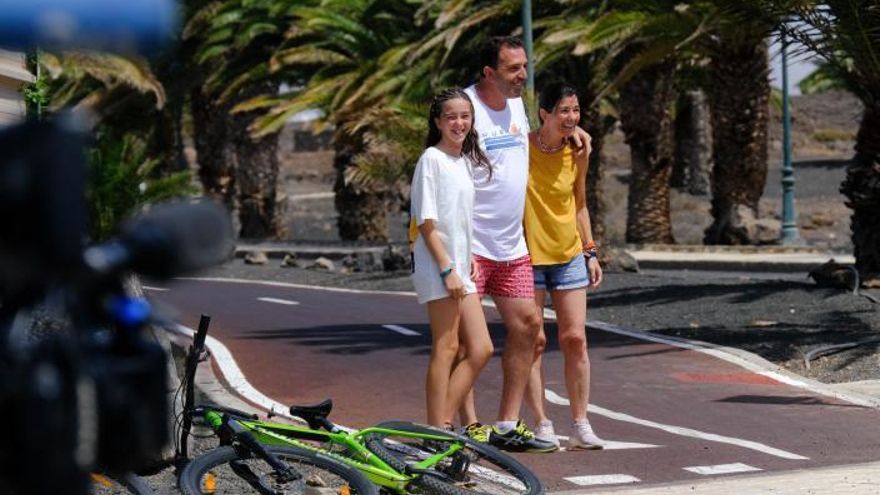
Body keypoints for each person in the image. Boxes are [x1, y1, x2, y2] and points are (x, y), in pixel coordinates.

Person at [456, 36, 590, 453]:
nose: (523, 76)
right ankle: (466, 425)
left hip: (512, 244)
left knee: (529, 329)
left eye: (525, 66)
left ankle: (507, 422)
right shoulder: (464, 108)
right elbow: (442, 158)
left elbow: (540, 137)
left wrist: (571, 125)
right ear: (489, 73)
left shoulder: (516, 104)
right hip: (472, 242)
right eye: (514, 69)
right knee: (468, 343)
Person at [522, 81, 604, 450]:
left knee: (575, 339)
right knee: (534, 341)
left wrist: (590, 251)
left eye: (575, 111)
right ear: (545, 113)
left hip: (569, 253)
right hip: (528, 258)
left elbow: (580, 203)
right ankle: (541, 423)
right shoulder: (522, 148)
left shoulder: (579, 151)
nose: (571, 118)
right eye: (563, 111)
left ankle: (581, 423)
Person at [410, 88, 495, 429]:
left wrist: (469, 255)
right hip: (439, 266)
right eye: (451, 117)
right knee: (446, 347)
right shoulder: (431, 159)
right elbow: (427, 222)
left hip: (461, 266)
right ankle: (436, 429)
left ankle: (441, 423)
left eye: (465, 116)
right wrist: (447, 268)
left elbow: (458, 218)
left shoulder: (462, 161)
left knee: (481, 348)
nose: (459, 123)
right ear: (437, 122)